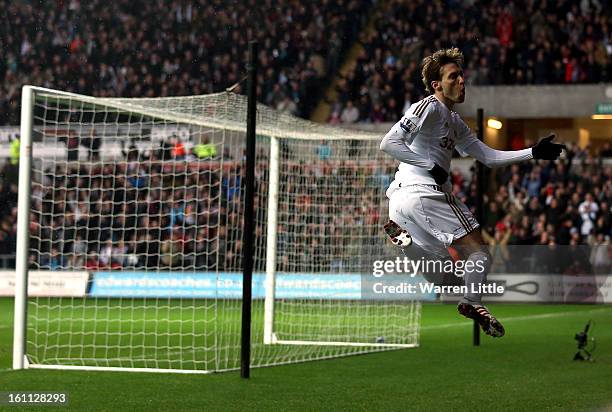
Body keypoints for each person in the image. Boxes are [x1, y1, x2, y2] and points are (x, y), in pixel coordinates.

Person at [380, 48, 565, 338]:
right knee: (480, 252)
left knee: (447, 280)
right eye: (453, 76)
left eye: (462, 75)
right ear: (436, 84)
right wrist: (430, 165)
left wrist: (533, 152)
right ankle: (473, 301)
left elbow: (488, 157)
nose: (462, 81)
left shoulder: (455, 123)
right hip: (423, 193)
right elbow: (389, 143)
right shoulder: (428, 106)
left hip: (400, 205)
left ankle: (407, 244)